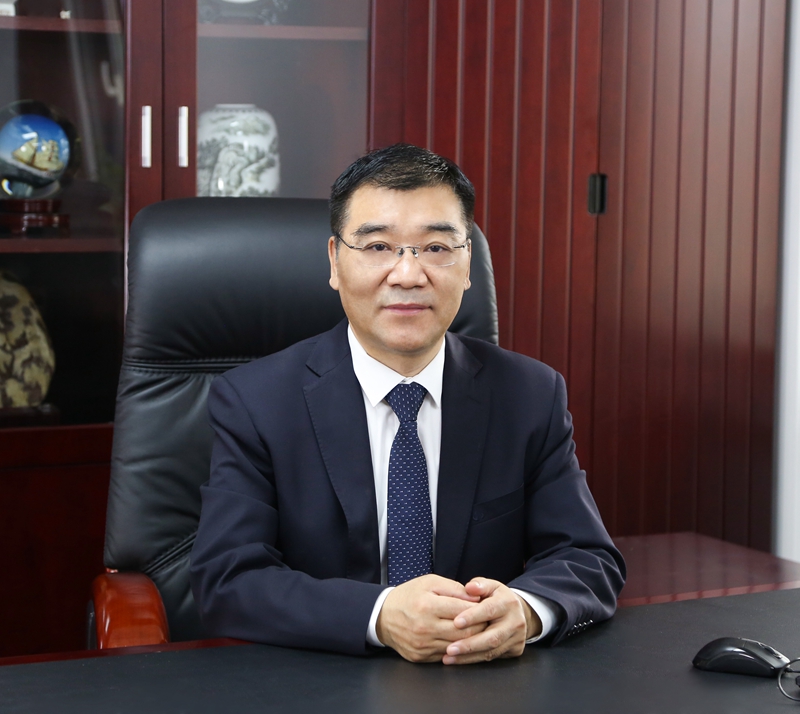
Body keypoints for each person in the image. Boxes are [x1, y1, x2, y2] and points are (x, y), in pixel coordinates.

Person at [190, 143, 625, 665]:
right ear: (334, 261)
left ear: (468, 264)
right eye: (378, 246)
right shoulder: (256, 401)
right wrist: (379, 615)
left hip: (481, 680)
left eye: (436, 247)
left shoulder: (529, 394)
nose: (407, 275)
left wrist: (528, 611)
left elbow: (587, 556)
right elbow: (228, 579)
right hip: (319, 682)